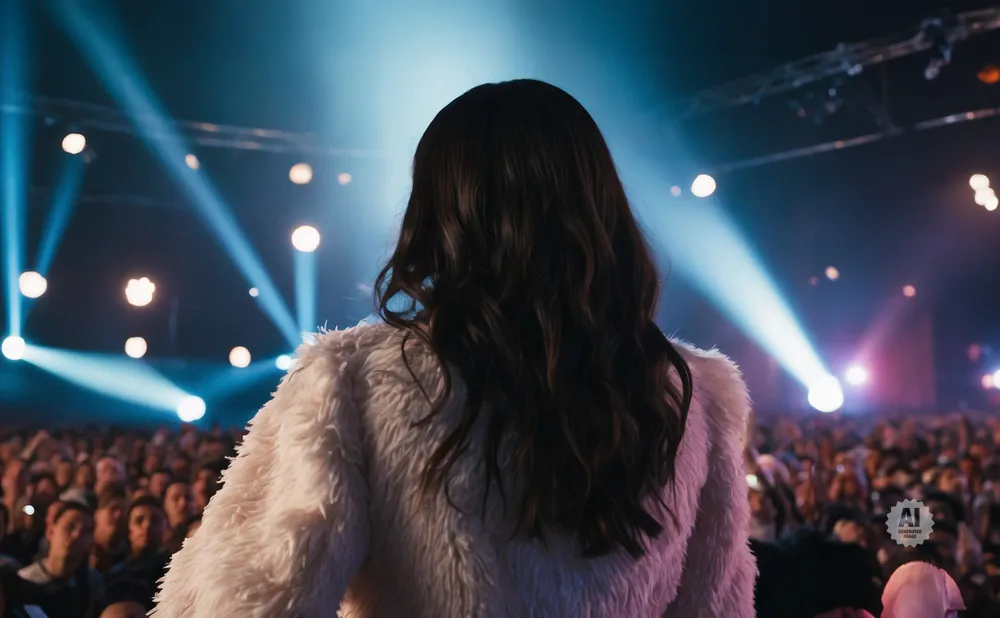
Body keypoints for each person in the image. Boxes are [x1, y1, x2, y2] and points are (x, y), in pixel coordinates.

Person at [151, 79, 756, 617]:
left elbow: (252, 598)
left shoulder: (353, 380)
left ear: (440, 211)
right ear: (601, 205)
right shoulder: (687, 396)